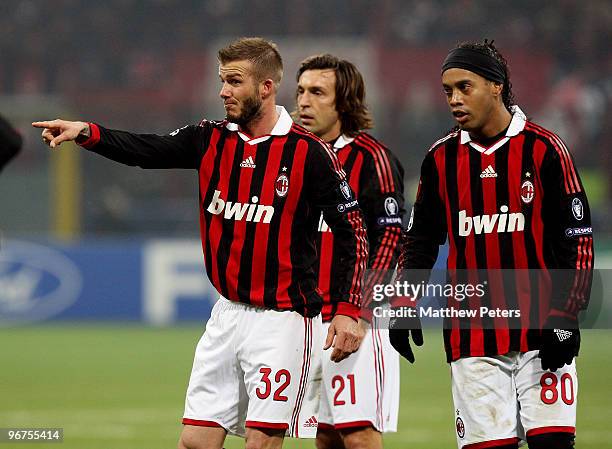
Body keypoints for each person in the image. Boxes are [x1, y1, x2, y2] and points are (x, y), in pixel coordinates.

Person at [33, 37, 368, 449]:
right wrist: (88, 132)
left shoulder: (309, 153)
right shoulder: (210, 138)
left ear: (265, 87)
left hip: (283, 321)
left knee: (261, 442)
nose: (223, 91)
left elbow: (352, 229)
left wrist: (349, 308)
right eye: (221, 80)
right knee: (194, 440)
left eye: (234, 81)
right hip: (225, 316)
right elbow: (147, 150)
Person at [391, 40, 593, 449]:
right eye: (448, 91)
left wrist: (565, 313)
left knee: (553, 444)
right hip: (473, 341)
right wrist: (403, 303)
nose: (454, 99)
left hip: (541, 333)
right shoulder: (441, 158)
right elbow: (419, 241)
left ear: (496, 85)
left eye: (465, 87)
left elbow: (577, 240)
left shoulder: (544, 149)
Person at [295, 54, 404, 449]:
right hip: (311, 319)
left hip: (359, 317)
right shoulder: (293, 156)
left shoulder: (373, 159)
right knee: (325, 436)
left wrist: (359, 310)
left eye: (317, 92)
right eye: (301, 91)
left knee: (358, 434)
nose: (304, 101)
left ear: (344, 102)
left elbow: (391, 240)